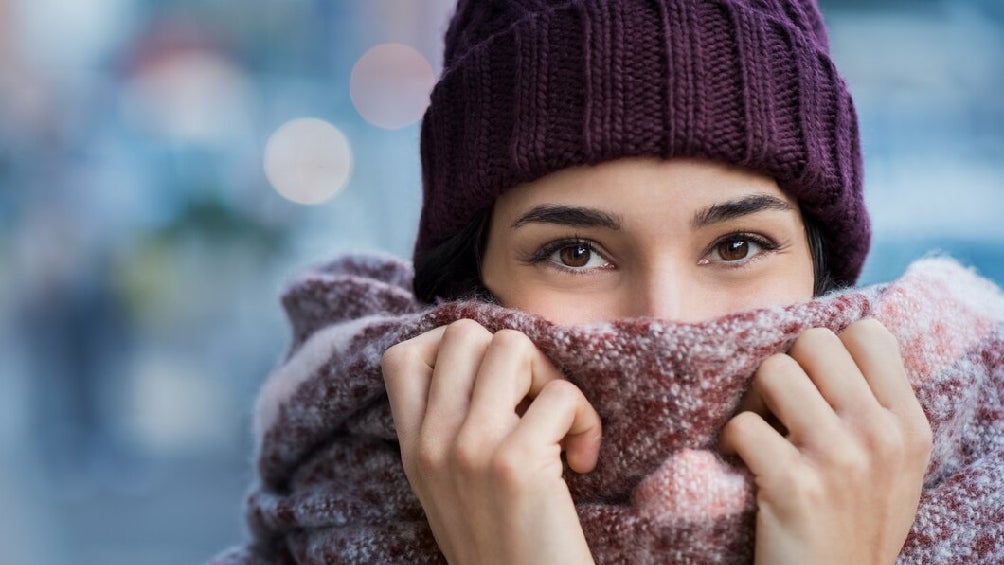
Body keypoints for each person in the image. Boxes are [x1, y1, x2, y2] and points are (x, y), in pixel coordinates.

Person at [215, 0, 1004, 563]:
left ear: (824, 274)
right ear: (469, 292)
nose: (665, 321)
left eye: (736, 243)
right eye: (575, 253)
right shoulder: (323, 520)